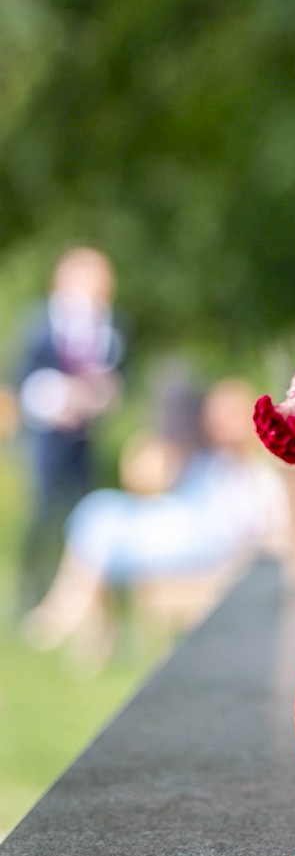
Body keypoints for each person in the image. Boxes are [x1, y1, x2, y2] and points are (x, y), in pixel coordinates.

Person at [23, 377, 287, 658]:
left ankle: (71, 613)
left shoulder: (252, 474)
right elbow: (145, 477)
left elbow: (259, 526)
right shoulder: (196, 456)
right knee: (98, 511)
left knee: (100, 521)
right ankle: (79, 615)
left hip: (203, 543)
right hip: (183, 530)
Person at [15, 248, 125, 610]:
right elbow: (22, 380)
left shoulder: (110, 326)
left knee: (83, 514)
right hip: (46, 434)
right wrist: (57, 398)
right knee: (43, 512)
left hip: (84, 435)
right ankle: (32, 591)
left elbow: (117, 376)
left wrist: (98, 395)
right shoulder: (41, 324)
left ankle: (79, 597)